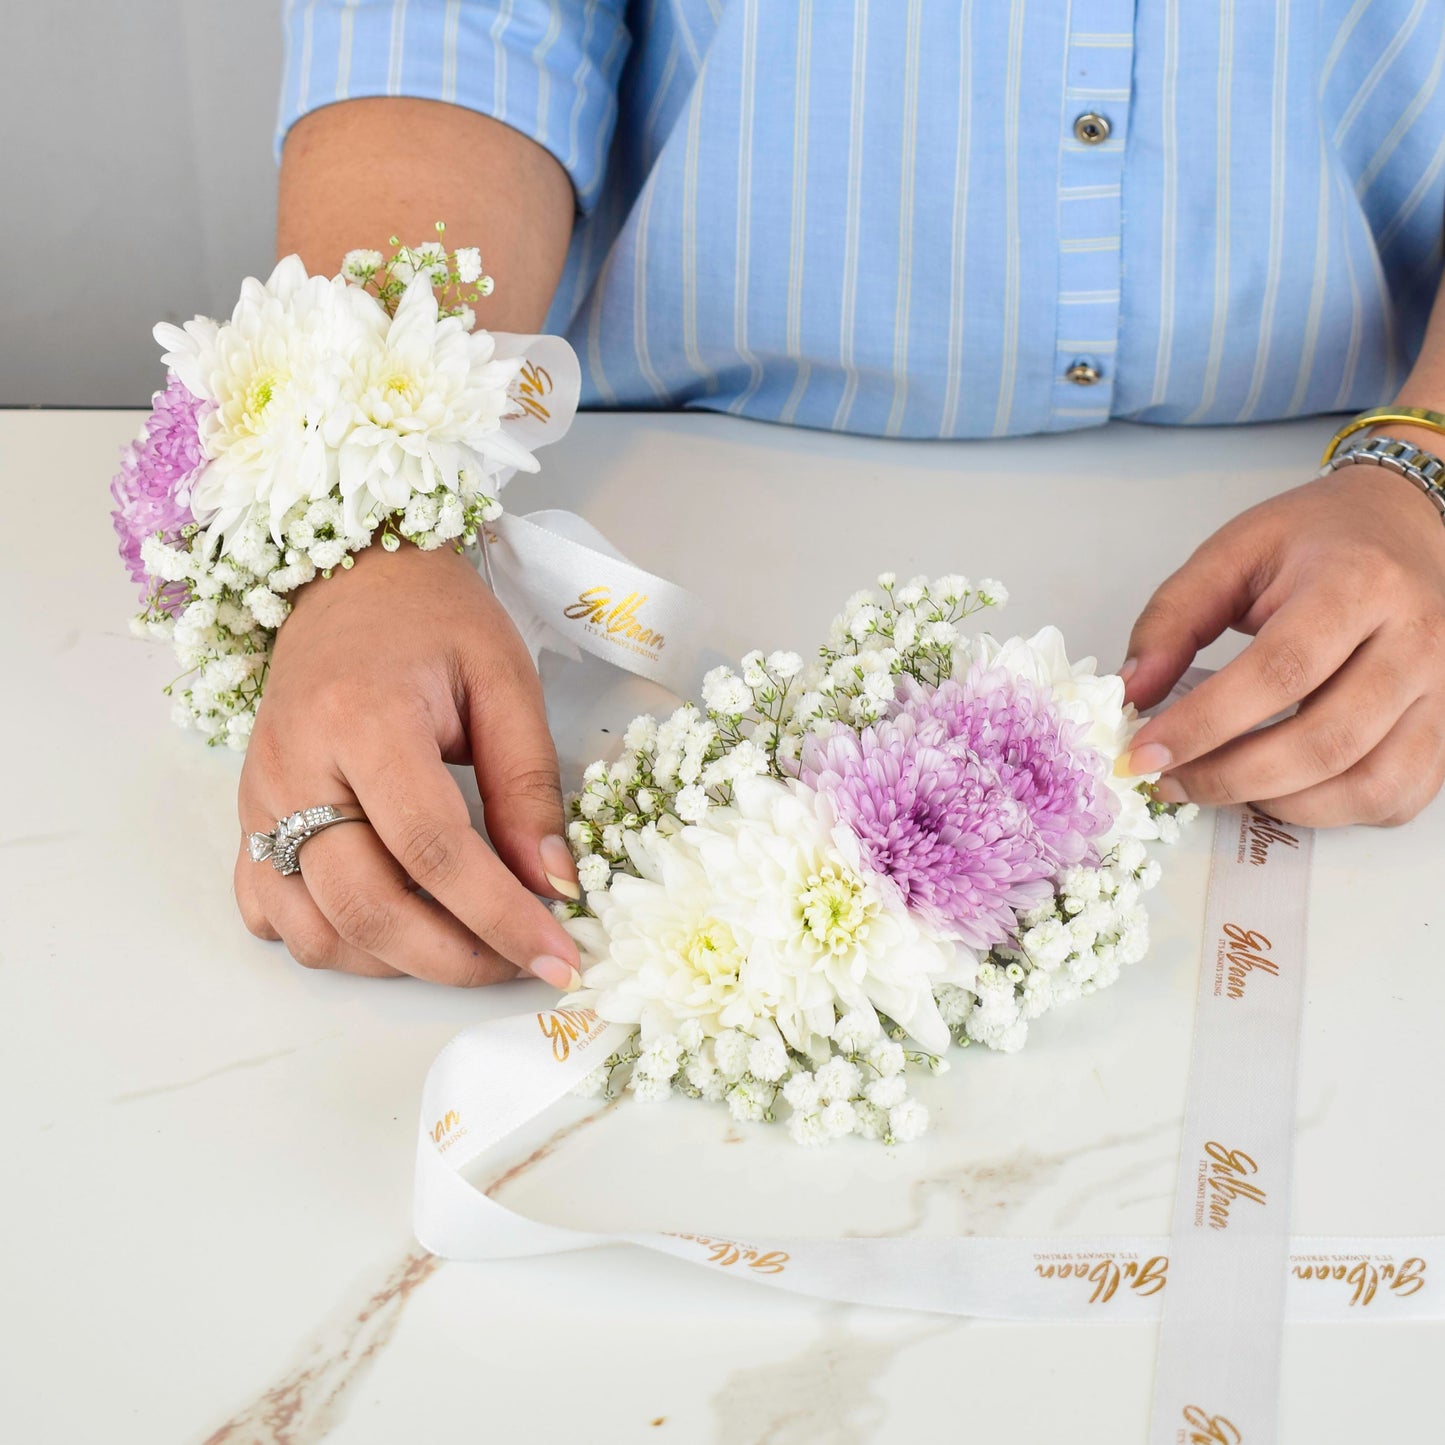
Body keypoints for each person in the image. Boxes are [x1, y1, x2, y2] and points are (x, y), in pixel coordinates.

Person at [238, 1, 1445, 989]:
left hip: (1365, 532)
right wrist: (377, 523)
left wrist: (1425, 470)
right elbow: (450, 31)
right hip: (634, 530)